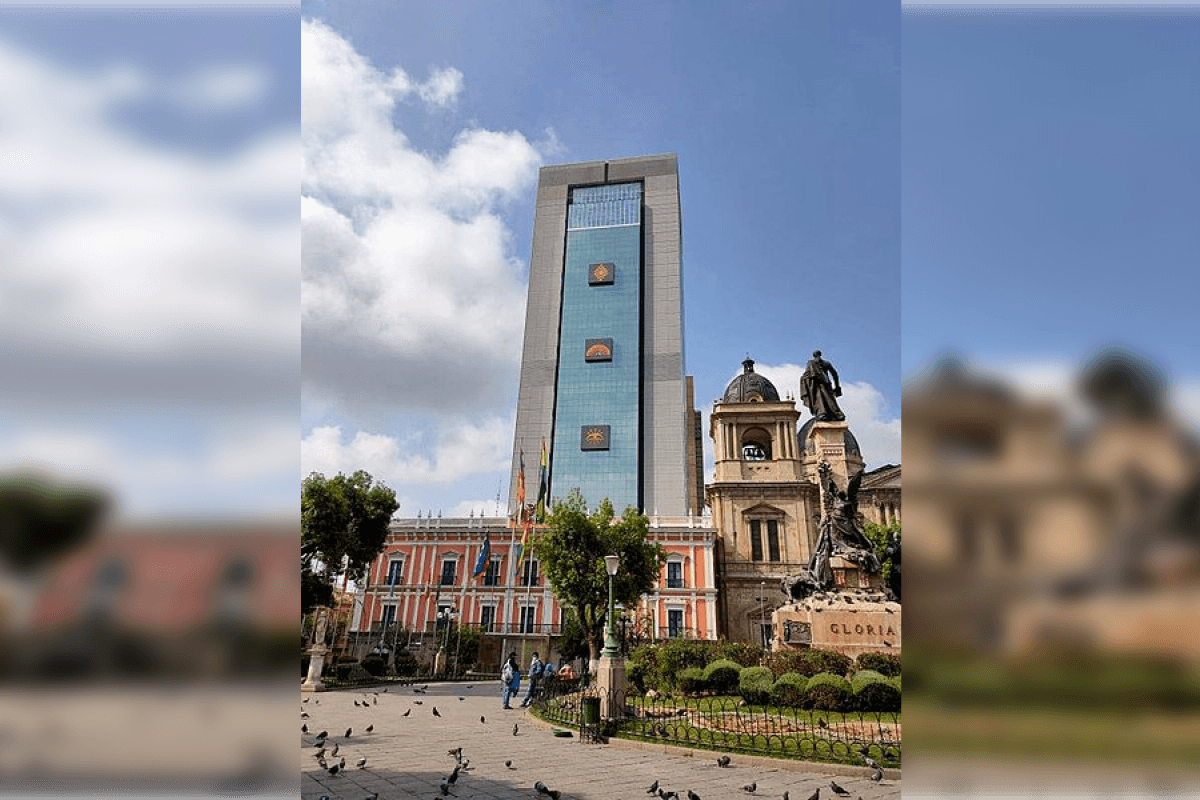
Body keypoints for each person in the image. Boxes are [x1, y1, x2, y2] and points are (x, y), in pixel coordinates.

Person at [800, 350, 845, 422]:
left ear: (814, 356)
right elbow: (835, 375)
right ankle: (837, 414)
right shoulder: (826, 363)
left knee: (819, 398)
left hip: (815, 384)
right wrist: (837, 387)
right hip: (826, 382)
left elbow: (807, 375)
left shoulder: (810, 363)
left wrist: (804, 381)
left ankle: (822, 413)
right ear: (820, 355)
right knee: (829, 399)